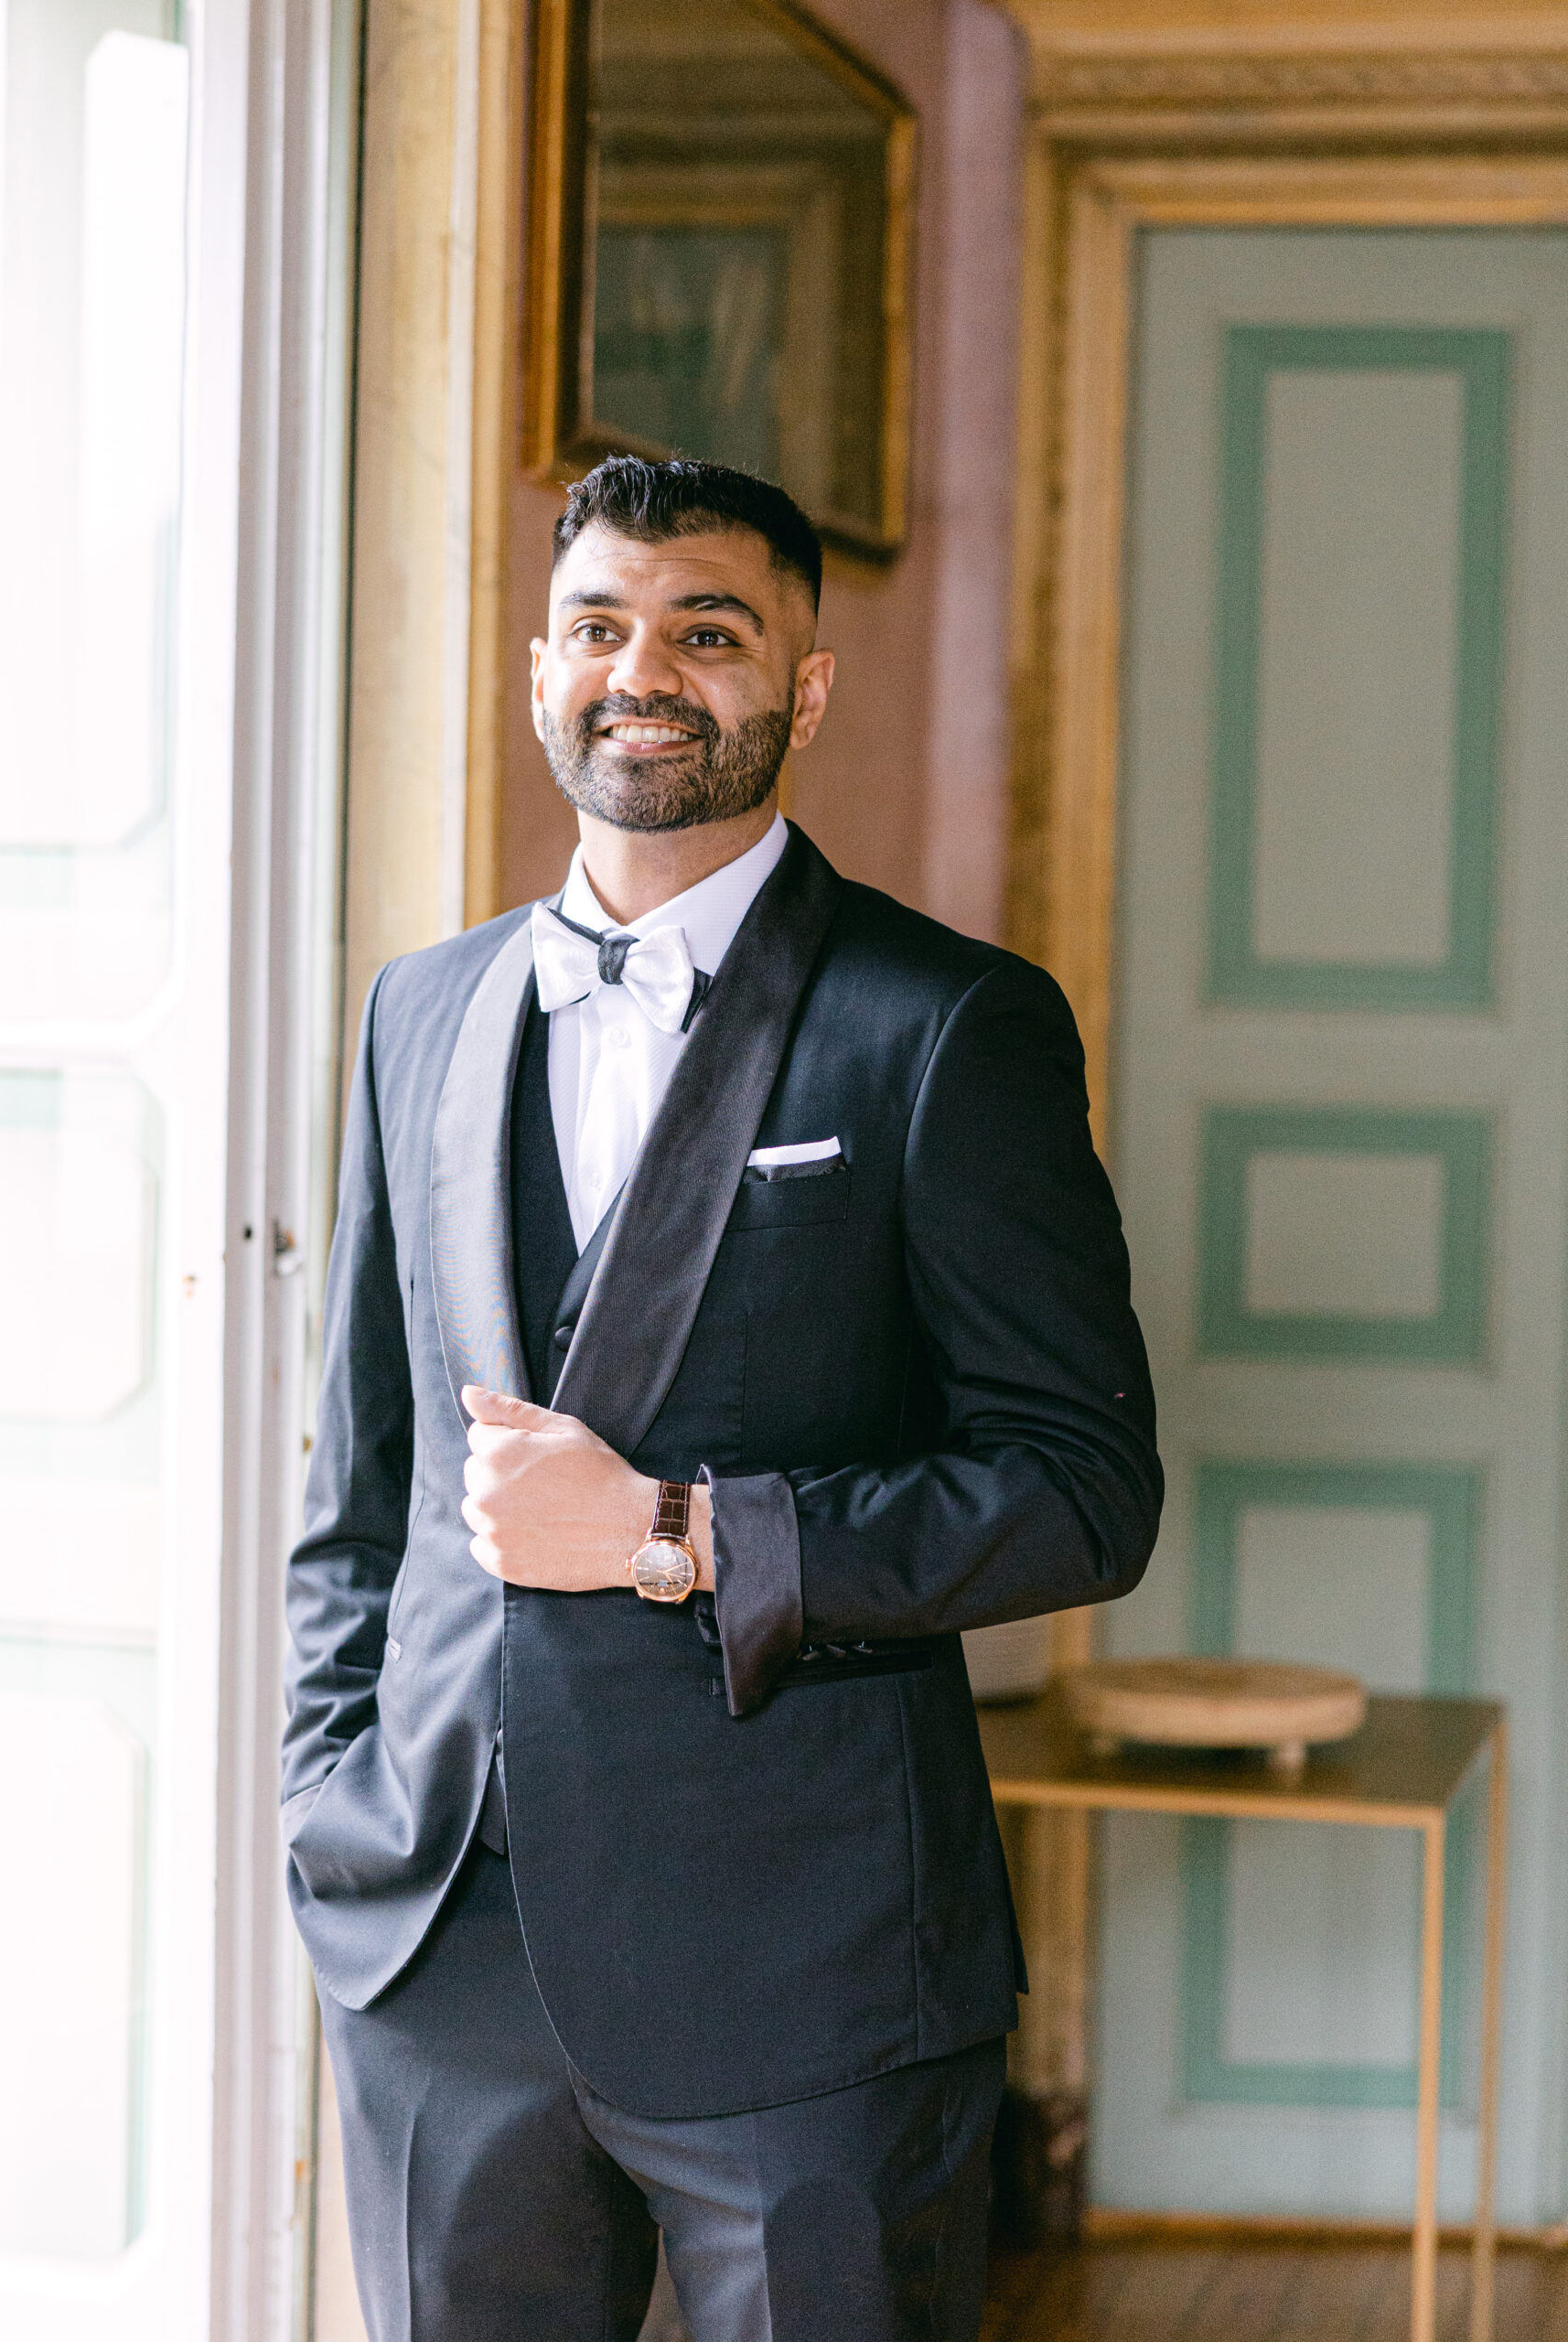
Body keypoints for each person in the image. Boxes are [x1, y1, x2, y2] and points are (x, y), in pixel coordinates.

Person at [281, 456, 1161, 2341]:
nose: (642, 668)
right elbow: (359, 1476)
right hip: (442, 1944)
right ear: (538, 670)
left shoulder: (944, 1026)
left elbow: (1082, 1488)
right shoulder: (415, 1011)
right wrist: (331, 1788)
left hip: (808, 1958)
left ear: (803, 687)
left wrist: (683, 1534)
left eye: (708, 628)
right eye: (599, 625)